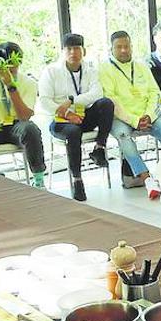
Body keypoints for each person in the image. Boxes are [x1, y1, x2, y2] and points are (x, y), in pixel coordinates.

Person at [98, 30, 161, 199]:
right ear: (112, 49)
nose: (124, 50)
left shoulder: (141, 65)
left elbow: (155, 92)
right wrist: (134, 120)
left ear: (131, 47)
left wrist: (148, 115)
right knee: (123, 135)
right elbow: (111, 100)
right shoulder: (104, 68)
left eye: (127, 46)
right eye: (119, 47)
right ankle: (147, 179)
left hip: (148, 117)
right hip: (122, 118)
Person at [36, 33, 113, 202]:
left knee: (106, 103)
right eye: (69, 49)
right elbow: (44, 101)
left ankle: (99, 148)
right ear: (63, 51)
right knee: (73, 132)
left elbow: (97, 93)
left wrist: (72, 100)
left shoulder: (90, 70)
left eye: (77, 48)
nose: (73, 52)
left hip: (83, 116)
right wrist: (67, 113)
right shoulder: (51, 72)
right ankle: (77, 179)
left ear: (83, 51)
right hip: (60, 122)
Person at [0, 40, 46, 187]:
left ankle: (38, 179)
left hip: (16, 125)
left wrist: (10, 85)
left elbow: (24, 116)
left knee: (31, 129)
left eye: (13, 63)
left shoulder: (29, 83)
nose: (8, 67)